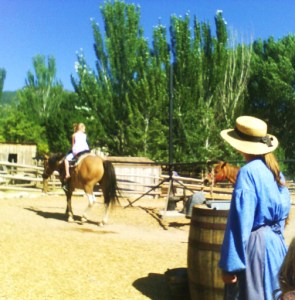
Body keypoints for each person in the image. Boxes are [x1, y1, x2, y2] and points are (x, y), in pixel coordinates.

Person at [218, 116, 291, 300]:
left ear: (239, 145)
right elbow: (284, 215)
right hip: (276, 247)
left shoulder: (248, 173)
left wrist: (230, 265)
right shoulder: (277, 173)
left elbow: (239, 223)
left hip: (255, 250)